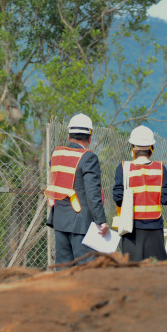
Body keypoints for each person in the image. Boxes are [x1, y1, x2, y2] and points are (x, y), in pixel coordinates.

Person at [45, 113, 108, 265]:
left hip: (60, 221)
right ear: (90, 137)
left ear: (69, 135)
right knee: (84, 270)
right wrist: (101, 221)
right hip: (82, 225)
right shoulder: (88, 158)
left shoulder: (57, 153)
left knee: (64, 269)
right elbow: (93, 193)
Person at [112, 125, 167, 261]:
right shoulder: (161, 169)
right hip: (155, 227)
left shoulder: (123, 168)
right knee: (157, 269)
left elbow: (118, 198)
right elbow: (166, 199)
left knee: (132, 270)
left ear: (132, 148)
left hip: (130, 228)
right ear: (151, 148)